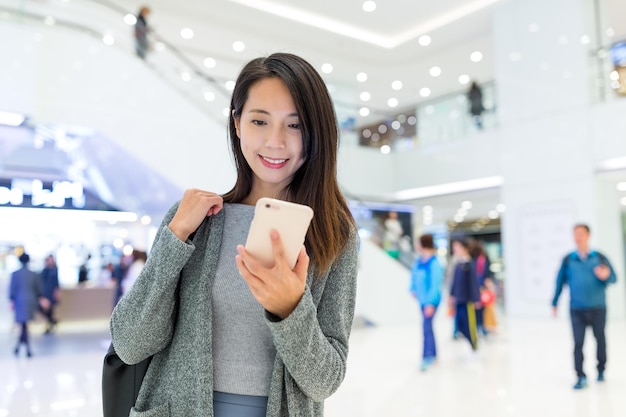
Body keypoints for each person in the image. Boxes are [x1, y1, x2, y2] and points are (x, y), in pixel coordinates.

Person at [110, 52, 358, 417]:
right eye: (260, 120)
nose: (276, 142)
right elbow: (131, 344)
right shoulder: (196, 222)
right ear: (237, 123)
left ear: (316, 133)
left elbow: (326, 380)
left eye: (295, 125)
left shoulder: (332, 235)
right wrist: (175, 237)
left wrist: (291, 308)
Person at [551, 223, 617, 390]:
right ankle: (580, 375)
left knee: (600, 340)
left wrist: (606, 275)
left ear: (588, 235)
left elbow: (614, 278)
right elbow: (559, 282)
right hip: (577, 309)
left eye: (581, 233)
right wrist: (554, 302)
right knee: (578, 343)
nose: (578, 237)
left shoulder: (600, 257)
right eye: (575, 234)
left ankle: (601, 370)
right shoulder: (568, 260)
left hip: (598, 308)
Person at [409, 234, 444, 371]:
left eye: (418, 242)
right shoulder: (419, 261)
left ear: (423, 244)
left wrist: (430, 303)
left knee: (426, 327)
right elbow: (414, 276)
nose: (416, 245)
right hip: (422, 301)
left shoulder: (435, 263)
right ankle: (433, 355)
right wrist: (412, 289)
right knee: (427, 327)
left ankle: (427, 356)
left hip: (431, 302)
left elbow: (436, 285)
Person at [9, 253, 49, 358]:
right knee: (24, 325)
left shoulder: (15, 274)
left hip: (19, 301)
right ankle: (24, 349)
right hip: (31, 301)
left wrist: (12, 301)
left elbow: (12, 289)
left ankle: (21, 348)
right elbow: (38, 290)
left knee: (23, 325)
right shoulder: (33, 274)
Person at [449, 239, 481, 352]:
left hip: (467, 300)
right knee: (460, 324)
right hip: (458, 299)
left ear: (464, 248)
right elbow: (454, 282)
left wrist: (476, 299)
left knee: (469, 324)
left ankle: (474, 344)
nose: (454, 249)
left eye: (457, 247)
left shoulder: (468, 264)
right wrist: (451, 295)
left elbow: (473, 283)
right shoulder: (458, 264)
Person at [469, 239, 492, 336]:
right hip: (481, 287)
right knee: (481, 309)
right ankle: (481, 327)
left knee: (477, 309)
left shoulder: (473, 260)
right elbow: (485, 274)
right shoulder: (481, 259)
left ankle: (478, 327)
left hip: (475, 288)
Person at [40, 254, 60, 334]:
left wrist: (57, 293)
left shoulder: (54, 270)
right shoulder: (44, 270)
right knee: (42, 308)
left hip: (51, 293)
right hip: (45, 293)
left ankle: (49, 326)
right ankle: (53, 321)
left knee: (50, 310)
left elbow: (56, 284)